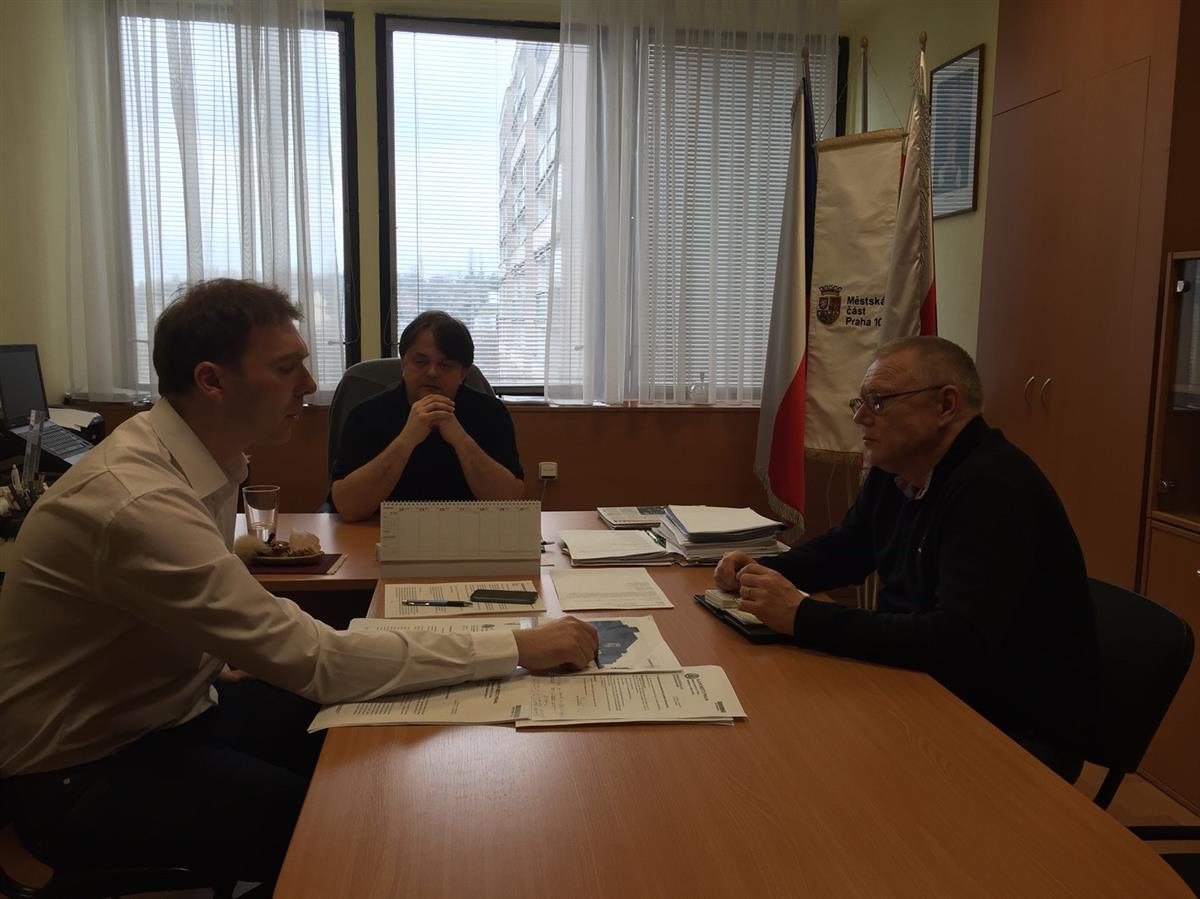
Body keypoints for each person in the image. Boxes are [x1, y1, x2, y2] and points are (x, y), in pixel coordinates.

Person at [0, 280, 597, 893]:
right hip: (89, 769)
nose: (310, 386)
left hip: (177, 706)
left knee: (376, 735)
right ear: (211, 381)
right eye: (287, 369)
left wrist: (218, 652)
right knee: (355, 835)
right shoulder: (137, 500)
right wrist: (517, 646)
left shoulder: (201, 461)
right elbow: (320, 660)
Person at [716, 336, 1100, 781]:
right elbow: (845, 549)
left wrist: (802, 616)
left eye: (878, 402)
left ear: (945, 405)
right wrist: (761, 571)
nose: (860, 417)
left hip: (1008, 724)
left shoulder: (994, 489)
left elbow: (955, 642)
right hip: (921, 683)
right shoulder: (898, 467)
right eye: (860, 402)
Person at [331, 311, 523, 521]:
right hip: (382, 533)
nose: (432, 372)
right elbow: (348, 507)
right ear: (403, 364)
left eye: (445, 365)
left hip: (470, 532)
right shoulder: (366, 415)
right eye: (420, 362)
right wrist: (407, 439)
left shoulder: (491, 413)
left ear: (463, 373)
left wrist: (461, 440)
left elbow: (510, 502)